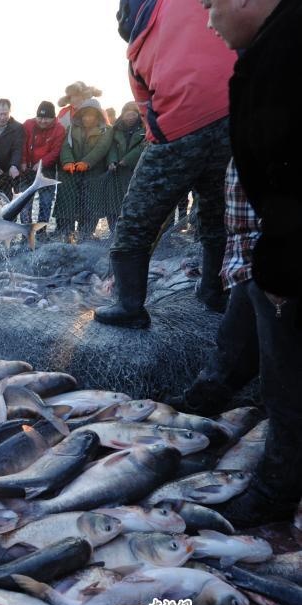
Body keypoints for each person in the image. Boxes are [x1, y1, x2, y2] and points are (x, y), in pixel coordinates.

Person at [186, 0, 301, 528]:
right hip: (264, 251)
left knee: (287, 384)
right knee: (245, 331)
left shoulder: (285, 53)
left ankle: (277, 490)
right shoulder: (270, 49)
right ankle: (211, 394)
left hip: (282, 255)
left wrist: (279, 265)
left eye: (211, 5)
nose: (208, 20)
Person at [94, 0, 236, 328]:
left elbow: (148, 116)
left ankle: (129, 307)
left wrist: (173, 145)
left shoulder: (135, 55)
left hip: (179, 128)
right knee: (217, 215)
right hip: (235, 117)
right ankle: (215, 292)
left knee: (135, 220)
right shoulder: (195, 5)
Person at [54, 99, 113, 242]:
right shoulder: (71, 128)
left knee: (90, 205)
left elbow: (102, 148)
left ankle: (86, 233)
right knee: (67, 203)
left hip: (94, 174)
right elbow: (65, 146)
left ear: (98, 116)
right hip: (71, 173)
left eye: (91, 115)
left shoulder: (107, 129)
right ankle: (66, 233)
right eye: (85, 115)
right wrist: (67, 161)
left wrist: (87, 162)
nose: (88, 118)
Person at [18, 101, 66, 225]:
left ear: (53, 118)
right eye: (40, 117)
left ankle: (41, 231)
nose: (42, 121)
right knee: (25, 202)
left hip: (47, 170)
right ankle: (26, 231)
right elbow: (22, 144)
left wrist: (41, 163)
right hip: (27, 170)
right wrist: (23, 161)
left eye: (46, 118)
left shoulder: (59, 129)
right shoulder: (28, 124)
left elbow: (56, 151)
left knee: (46, 202)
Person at [104, 102, 147, 236]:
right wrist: (112, 161)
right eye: (127, 114)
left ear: (138, 115)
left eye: (133, 114)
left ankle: (132, 233)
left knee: (133, 203)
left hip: (135, 172)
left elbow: (143, 146)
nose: (130, 117)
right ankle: (113, 231)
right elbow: (111, 147)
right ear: (122, 115)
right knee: (113, 204)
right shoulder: (115, 129)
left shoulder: (145, 129)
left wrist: (127, 160)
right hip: (116, 173)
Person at [0, 99, 24, 199]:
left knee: (9, 201)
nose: (2, 117)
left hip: (9, 171)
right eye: (0, 114)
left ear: (10, 112)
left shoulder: (18, 128)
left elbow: (17, 149)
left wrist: (14, 165)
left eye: (5, 114)